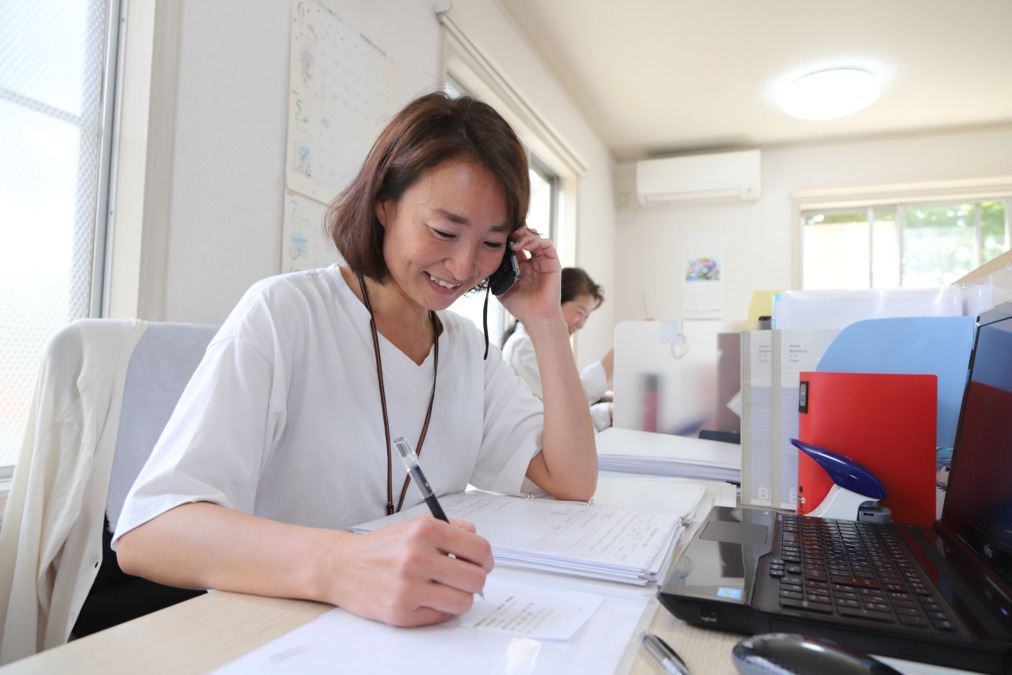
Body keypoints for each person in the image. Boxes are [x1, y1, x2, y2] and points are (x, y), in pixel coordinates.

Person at [112, 92, 597, 628]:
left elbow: (569, 482)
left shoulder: (466, 347)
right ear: (384, 204)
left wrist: (546, 323)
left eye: (490, 243)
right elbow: (148, 532)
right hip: (281, 630)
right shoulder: (285, 313)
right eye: (443, 231)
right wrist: (343, 564)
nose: (463, 267)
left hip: (414, 632)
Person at [501, 267, 614, 432]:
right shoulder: (523, 348)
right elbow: (572, 399)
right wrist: (618, 351)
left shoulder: (548, 345)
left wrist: (608, 410)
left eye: (586, 317)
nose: (581, 324)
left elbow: (565, 413)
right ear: (555, 300)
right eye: (579, 313)